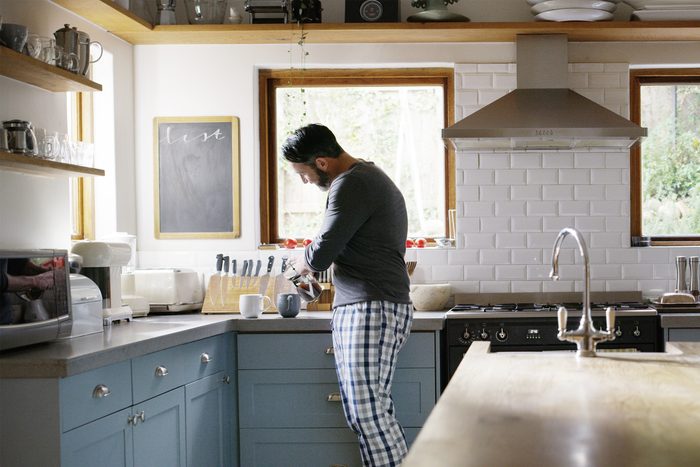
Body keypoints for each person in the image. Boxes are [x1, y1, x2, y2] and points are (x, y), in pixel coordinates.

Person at [283, 124, 413, 467]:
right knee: (369, 410)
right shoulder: (364, 178)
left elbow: (322, 252)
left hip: (372, 306)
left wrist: (302, 260)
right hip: (369, 304)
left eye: (303, 173)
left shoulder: (352, 183)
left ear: (322, 162)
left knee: (366, 413)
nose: (305, 181)